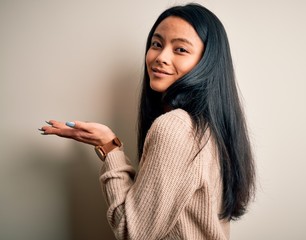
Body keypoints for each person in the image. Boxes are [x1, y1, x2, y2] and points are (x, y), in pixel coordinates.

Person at [39, 3, 256, 240]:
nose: (160, 57)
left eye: (180, 49)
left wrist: (109, 147)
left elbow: (132, 233)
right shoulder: (209, 127)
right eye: (156, 44)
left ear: (206, 61)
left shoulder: (175, 128)